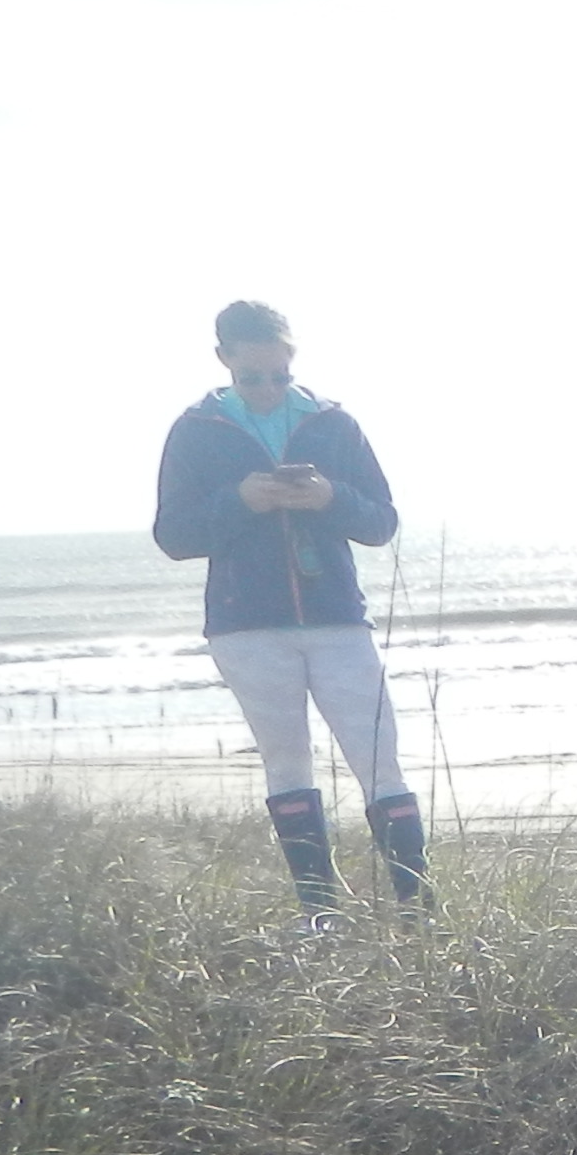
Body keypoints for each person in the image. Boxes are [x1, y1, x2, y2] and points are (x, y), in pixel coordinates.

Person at [150, 298, 423, 930]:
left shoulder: (333, 422)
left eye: (279, 373)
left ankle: (417, 909)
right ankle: (319, 915)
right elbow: (173, 535)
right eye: (253, 378)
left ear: (292, 359)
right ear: (224, 362)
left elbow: (381, 521)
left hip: (336, 619)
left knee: (380, 758)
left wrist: (330, 497)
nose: (270, 389)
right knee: (287, 762)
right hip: (247, 626)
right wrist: (239, 499)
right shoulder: (195, 429)